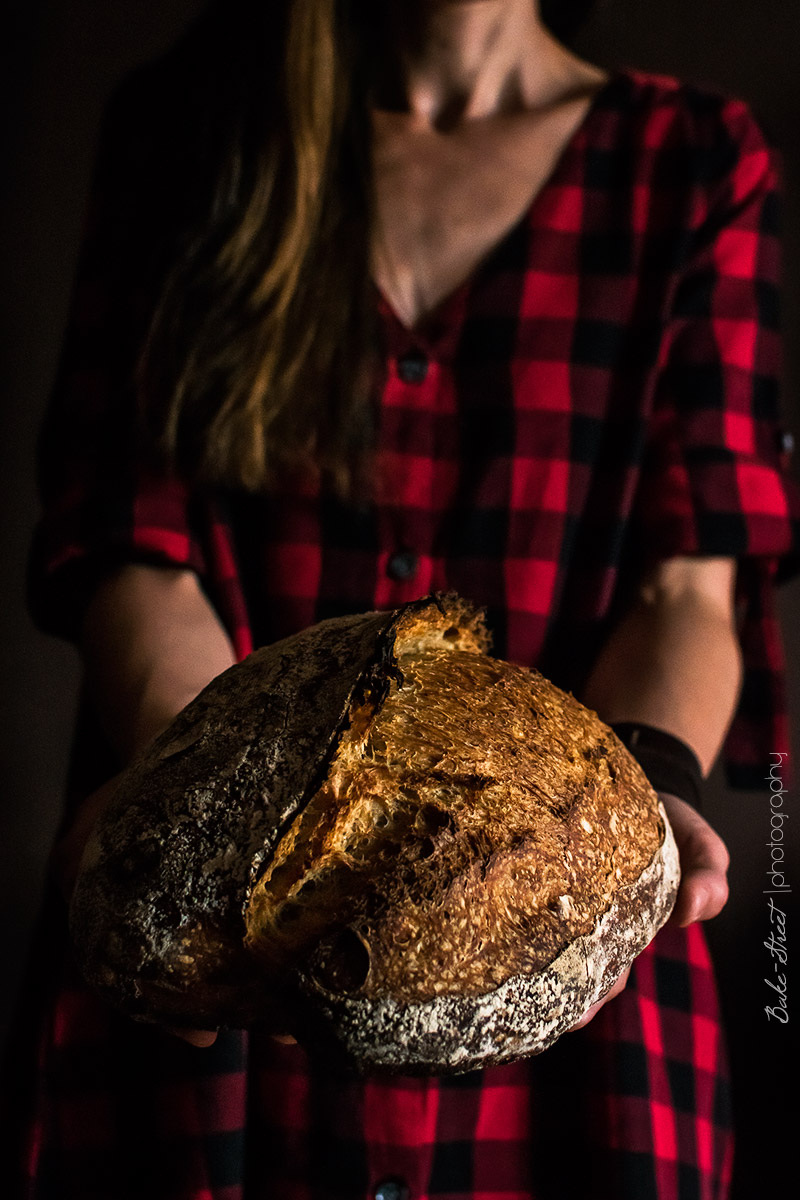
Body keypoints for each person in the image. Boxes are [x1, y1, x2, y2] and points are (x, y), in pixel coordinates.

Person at [5, 0, 800, 1196]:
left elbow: (690, 581)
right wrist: (205, 819)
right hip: (219, 990)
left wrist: (637, 794)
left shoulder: (689, 159)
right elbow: (130, 538)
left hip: (562, 984)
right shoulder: (194, 129)